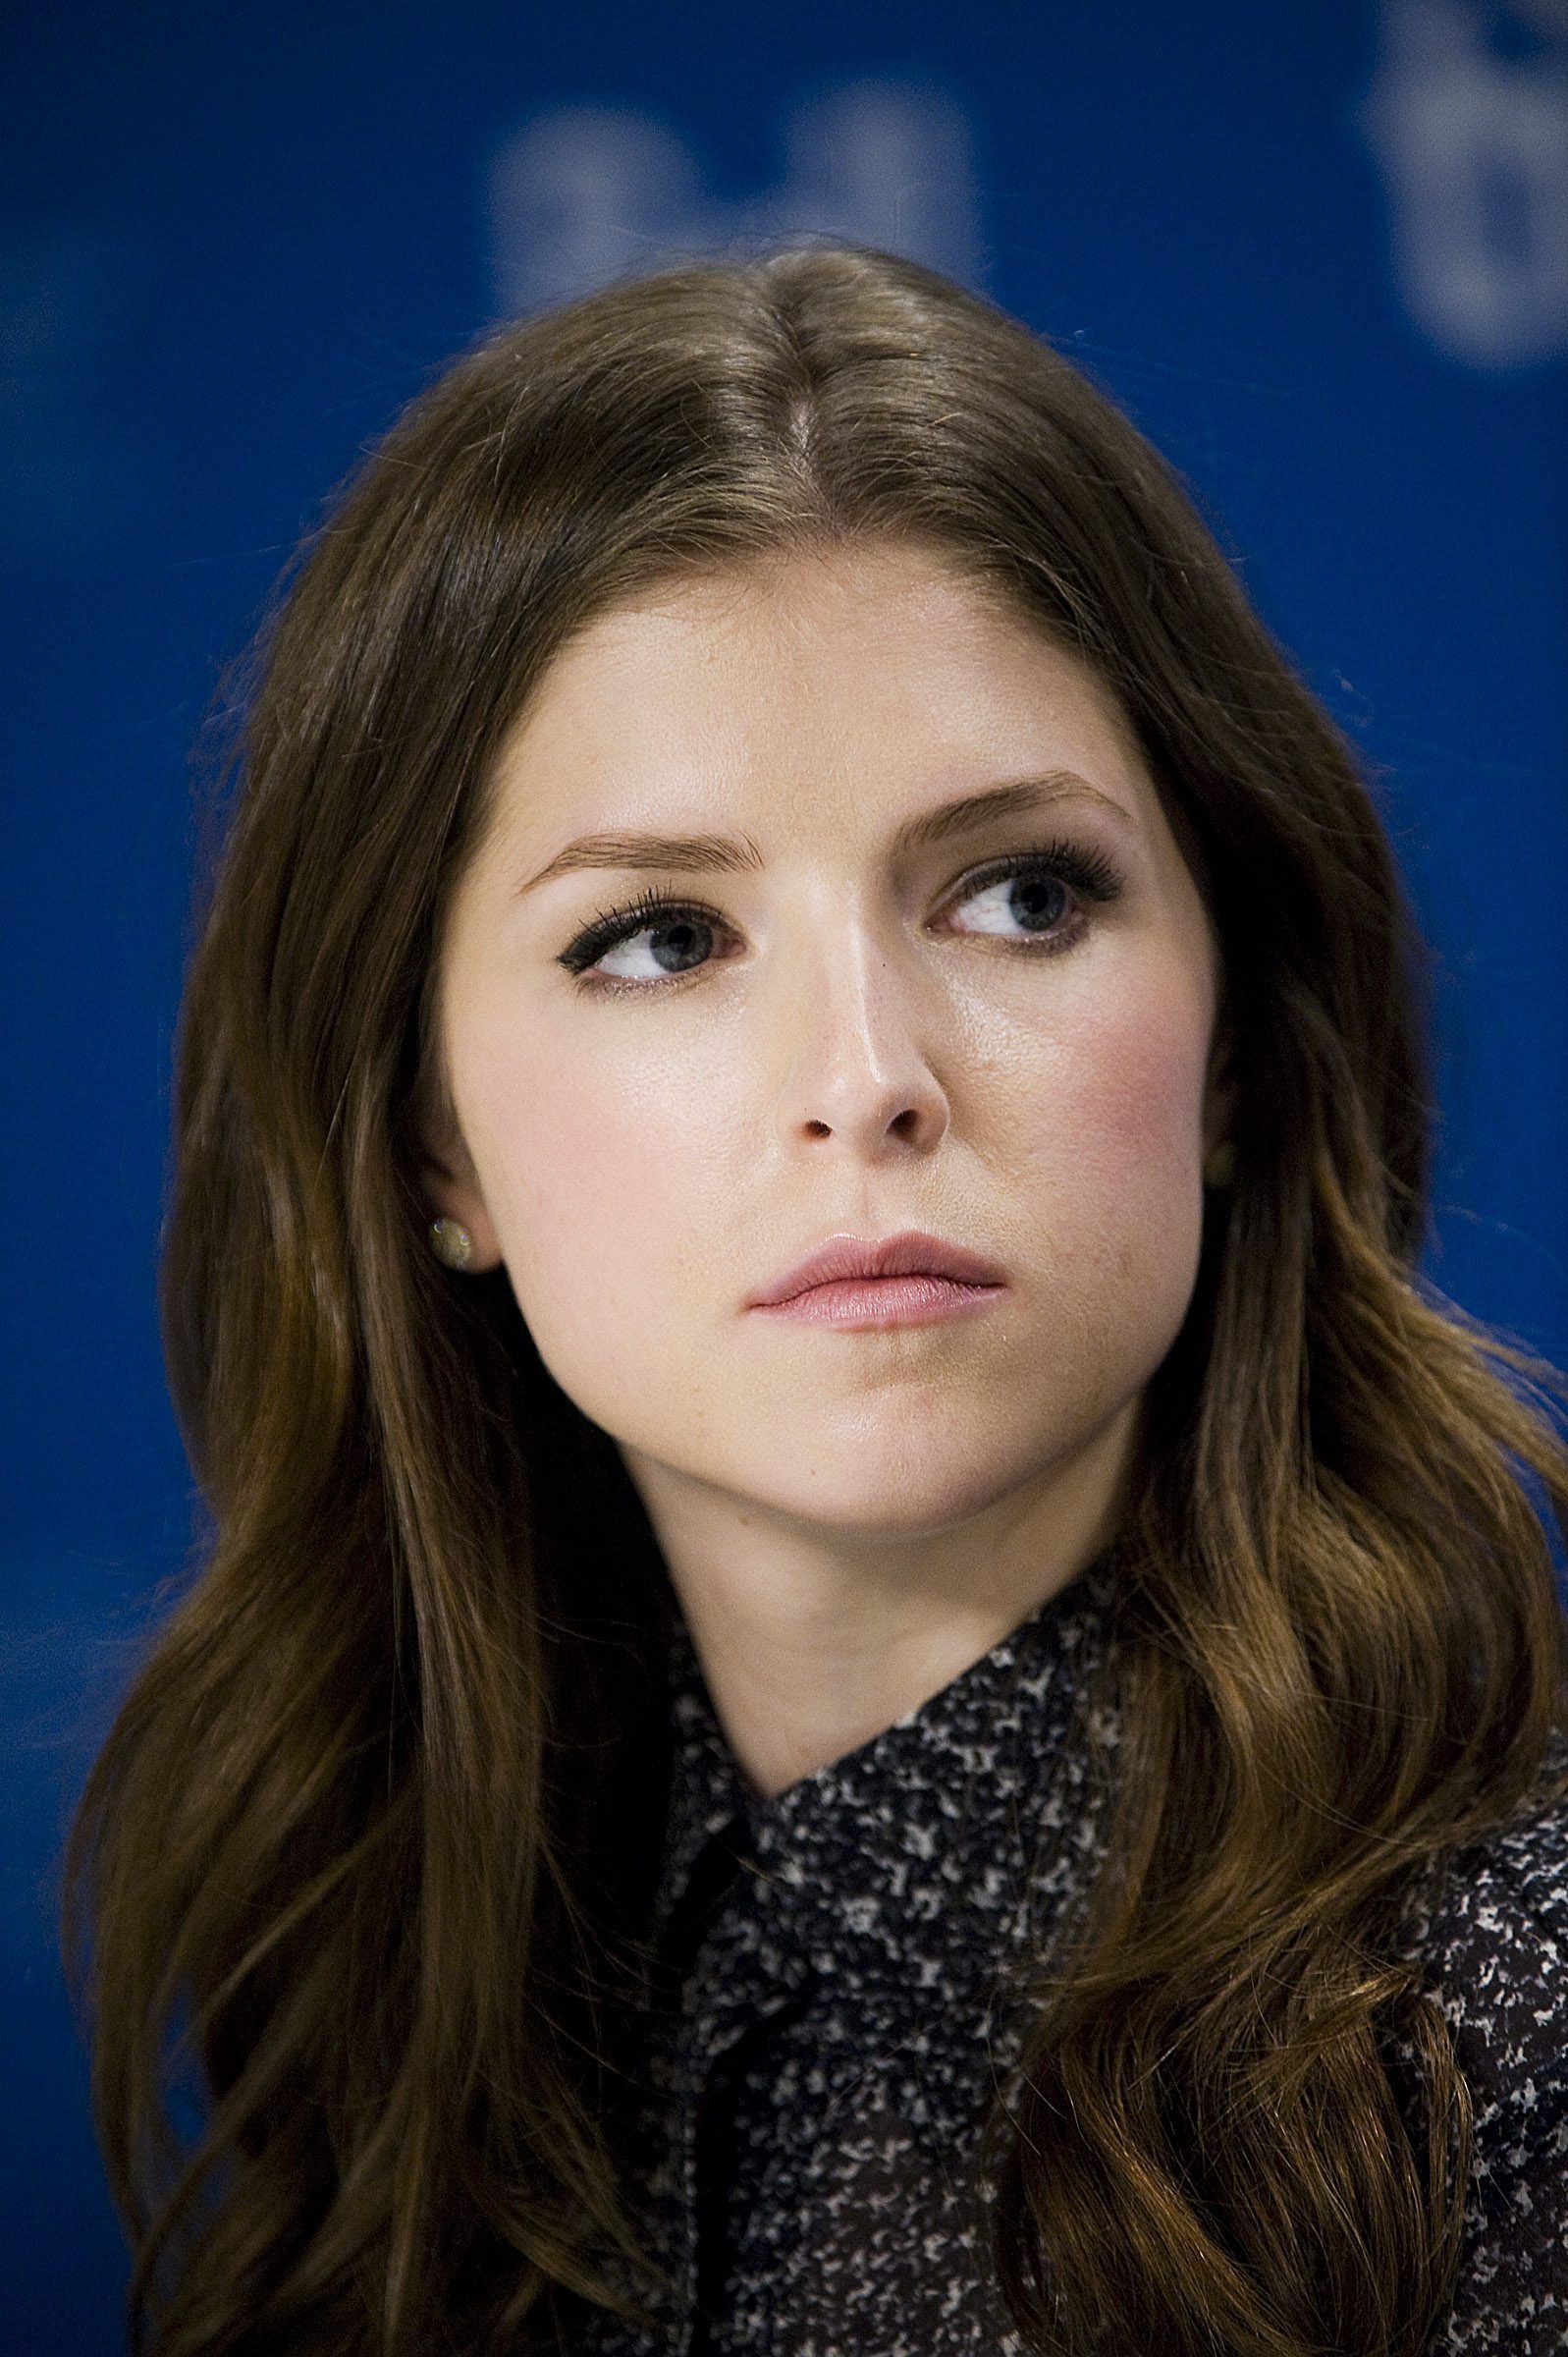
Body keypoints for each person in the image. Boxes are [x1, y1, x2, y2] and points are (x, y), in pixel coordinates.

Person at [60, 240, 1568, 2357]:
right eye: (662, 938)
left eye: (1020, 895)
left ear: (1234, 1045)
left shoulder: (1519, 2035)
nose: (868, 1078)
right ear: (429, 1145)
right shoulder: (398, 2039)